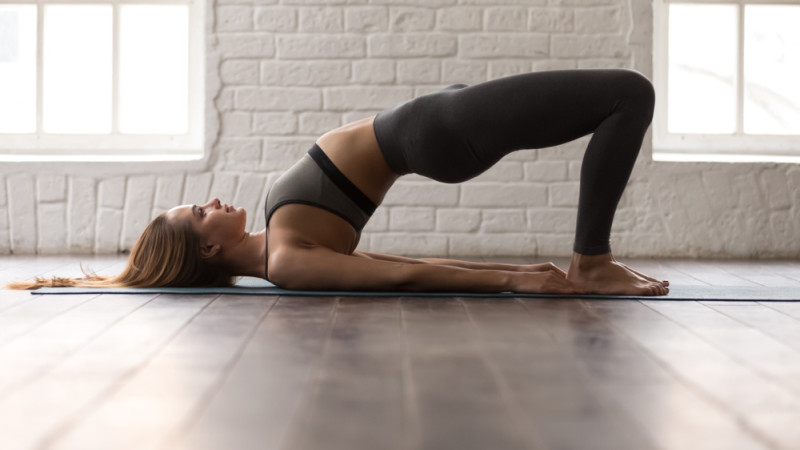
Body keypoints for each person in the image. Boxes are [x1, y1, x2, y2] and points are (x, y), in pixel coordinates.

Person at [6, 69, 669, 296]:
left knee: (616, 99)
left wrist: (520, 269)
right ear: (207, 249)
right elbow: (403, 275)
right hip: (435, 130)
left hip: (434, 119)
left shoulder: (277, 244)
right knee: (629, 94)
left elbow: (394, 262)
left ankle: (587, 263)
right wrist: (515, 280)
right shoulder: (287, 260)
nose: (212, 201)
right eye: (200, 212)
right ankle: (594, 262)